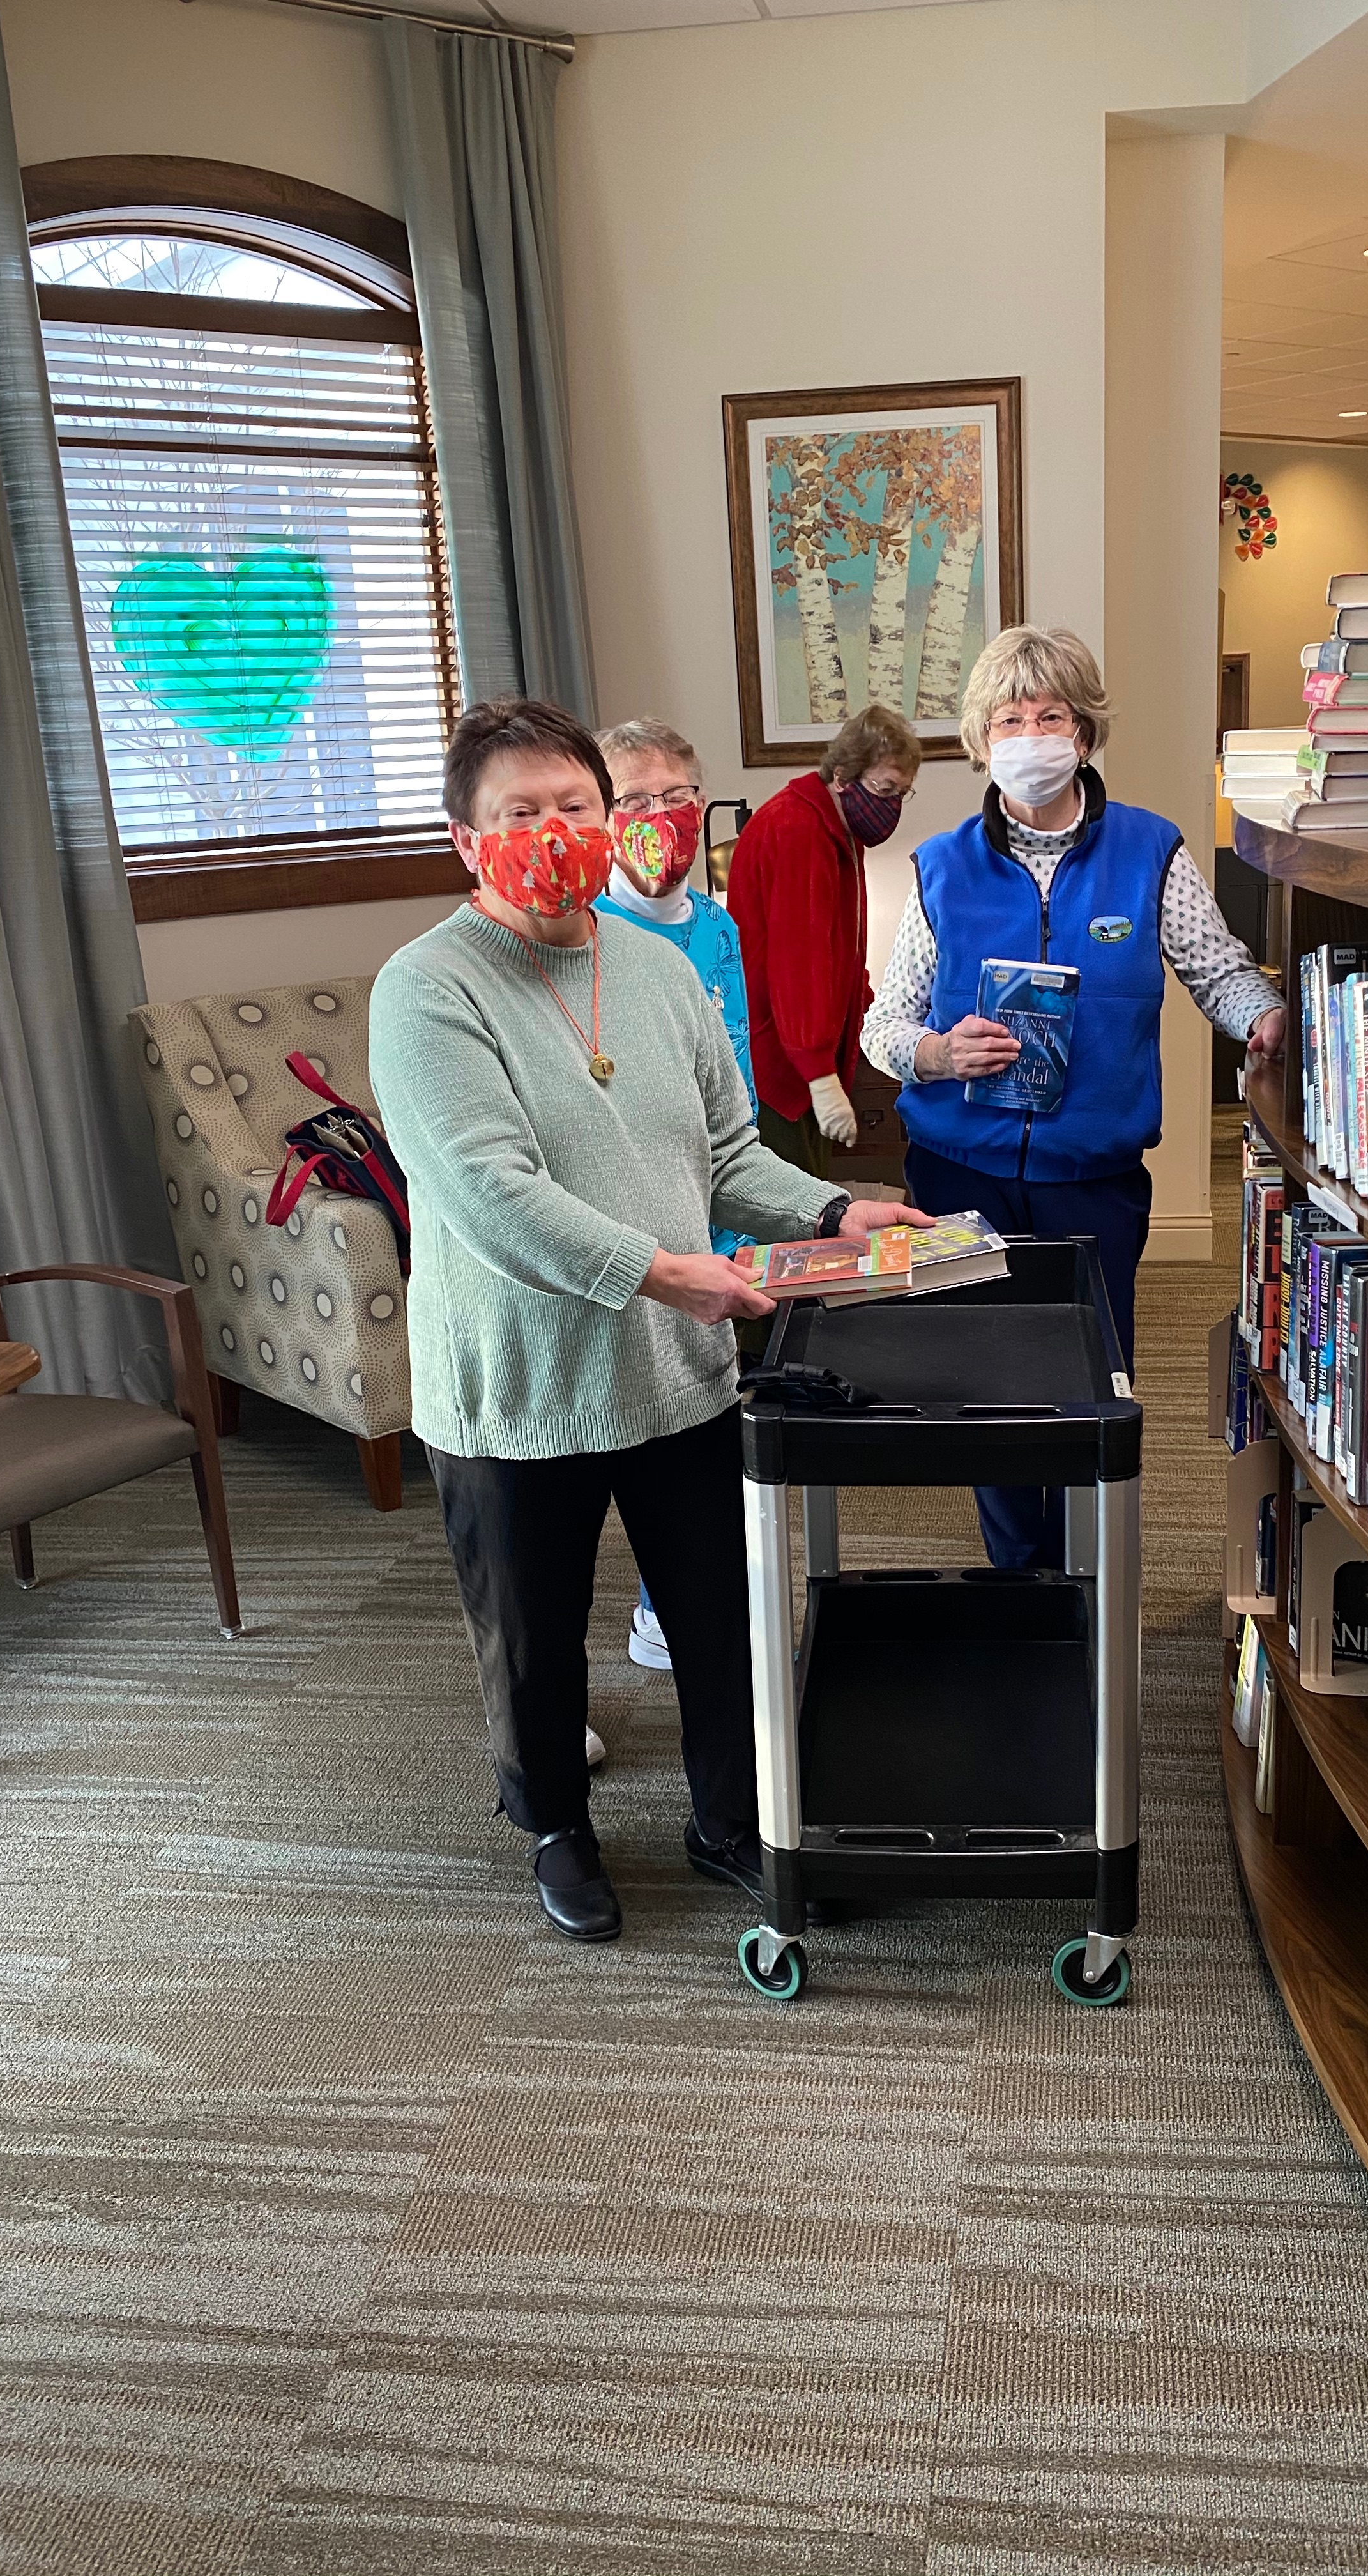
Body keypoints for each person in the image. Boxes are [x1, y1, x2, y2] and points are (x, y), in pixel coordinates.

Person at [369, 696, 925, 1945]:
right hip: (517, 1386)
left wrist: (837, 1211)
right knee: (536, 1639)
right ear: (468, 840)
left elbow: (728, 1153)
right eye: (523, 814)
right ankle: (558, 1829)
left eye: (577, 807)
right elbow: (493, 1196)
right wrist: (679, 1275)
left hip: (675, 1374)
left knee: (719, 1615)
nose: (556, 833)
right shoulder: (426, 992)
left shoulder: (665, 969)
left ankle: (730, 1819)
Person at [861, 624, 1286, 1570]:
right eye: (1008, 717)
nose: (1030, 733)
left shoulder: (1150, 853)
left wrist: (1262, 1014)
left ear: (1085, 734)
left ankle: (1089, 1582)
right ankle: (1021, 1579)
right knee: (985, 1388)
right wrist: (933, 1051)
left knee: (1091, 1390)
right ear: (981, 741)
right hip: (958, 1171)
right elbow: (880, 1026)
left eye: (1050, 714)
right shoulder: (942, 867)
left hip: (1091, 1182)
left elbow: (1217, 970)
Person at [593, 715, 756, 1676]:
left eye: (678, 795)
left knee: (706, 1415)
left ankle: (679, 1603)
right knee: (627, 1431)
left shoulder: (719, 925)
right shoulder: (590, 933)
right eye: (635, 800)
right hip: (629, 1218)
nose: (662, 817)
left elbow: (728, 1074)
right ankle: (653, 1602)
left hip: (716, 1201)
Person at [727, 702, 920, 1178]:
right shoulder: (798, 830)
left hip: (800, 1060)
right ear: (841, 776)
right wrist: (818, 1071)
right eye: (884, 789)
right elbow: (801, 964)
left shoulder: (839, 828)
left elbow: (844, 949)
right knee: (793, 1219)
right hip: (779, 1065)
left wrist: (871, 1012)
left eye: (902, 793)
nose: (891, 805)